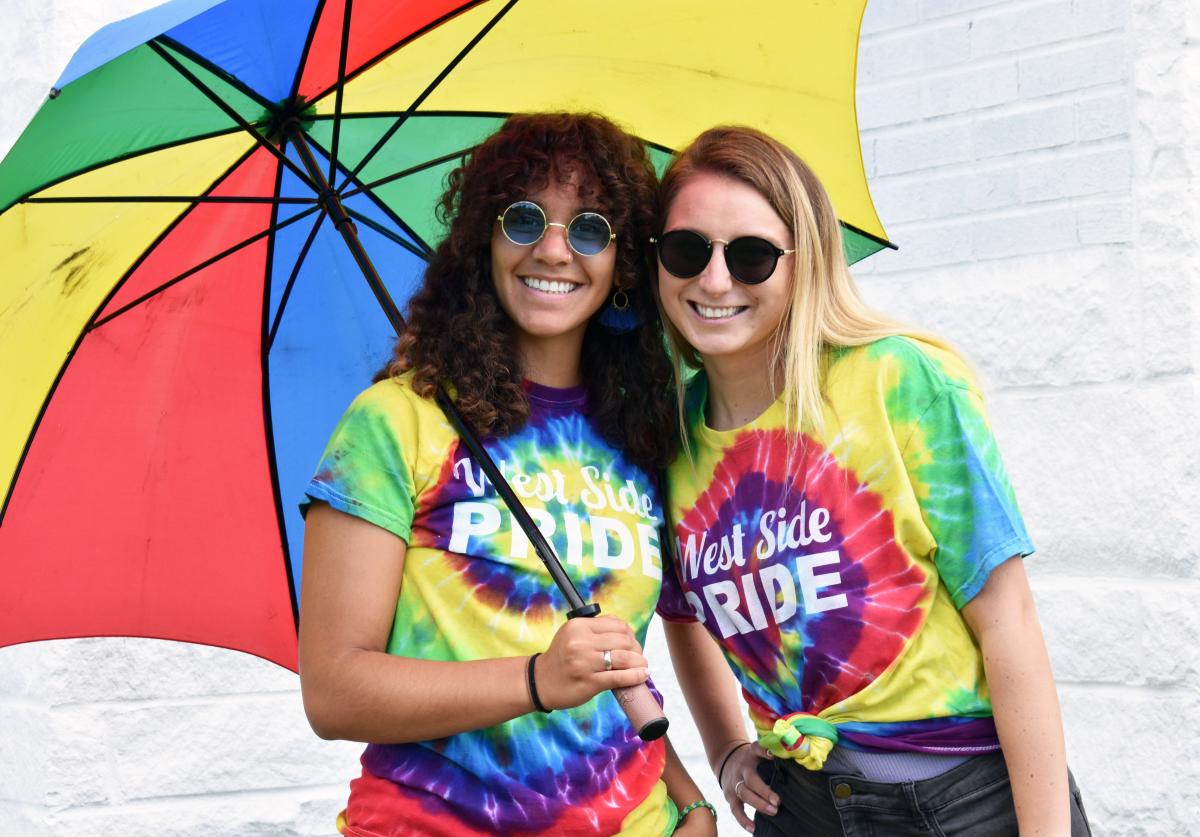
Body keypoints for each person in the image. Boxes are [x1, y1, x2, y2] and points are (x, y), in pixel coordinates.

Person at [651, 126, 1091, 836]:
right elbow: (680, 612)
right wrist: (726, 747)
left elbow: (1007, 618)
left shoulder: (899, 381)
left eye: (752, 255)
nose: (714, 279)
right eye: (686, 250)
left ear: (805, 262)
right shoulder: (667, 444)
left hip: (965, 803)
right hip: (800, 807)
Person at [299, 113, 716, 837]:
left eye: (589, 228)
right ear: (483, 242)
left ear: (622, 263)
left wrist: (690, 800)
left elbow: (612, 665)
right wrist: (534, 679)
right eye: (524, 219)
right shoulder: (397, 422)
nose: (553, 250)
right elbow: (334, 692)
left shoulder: (643, 433)